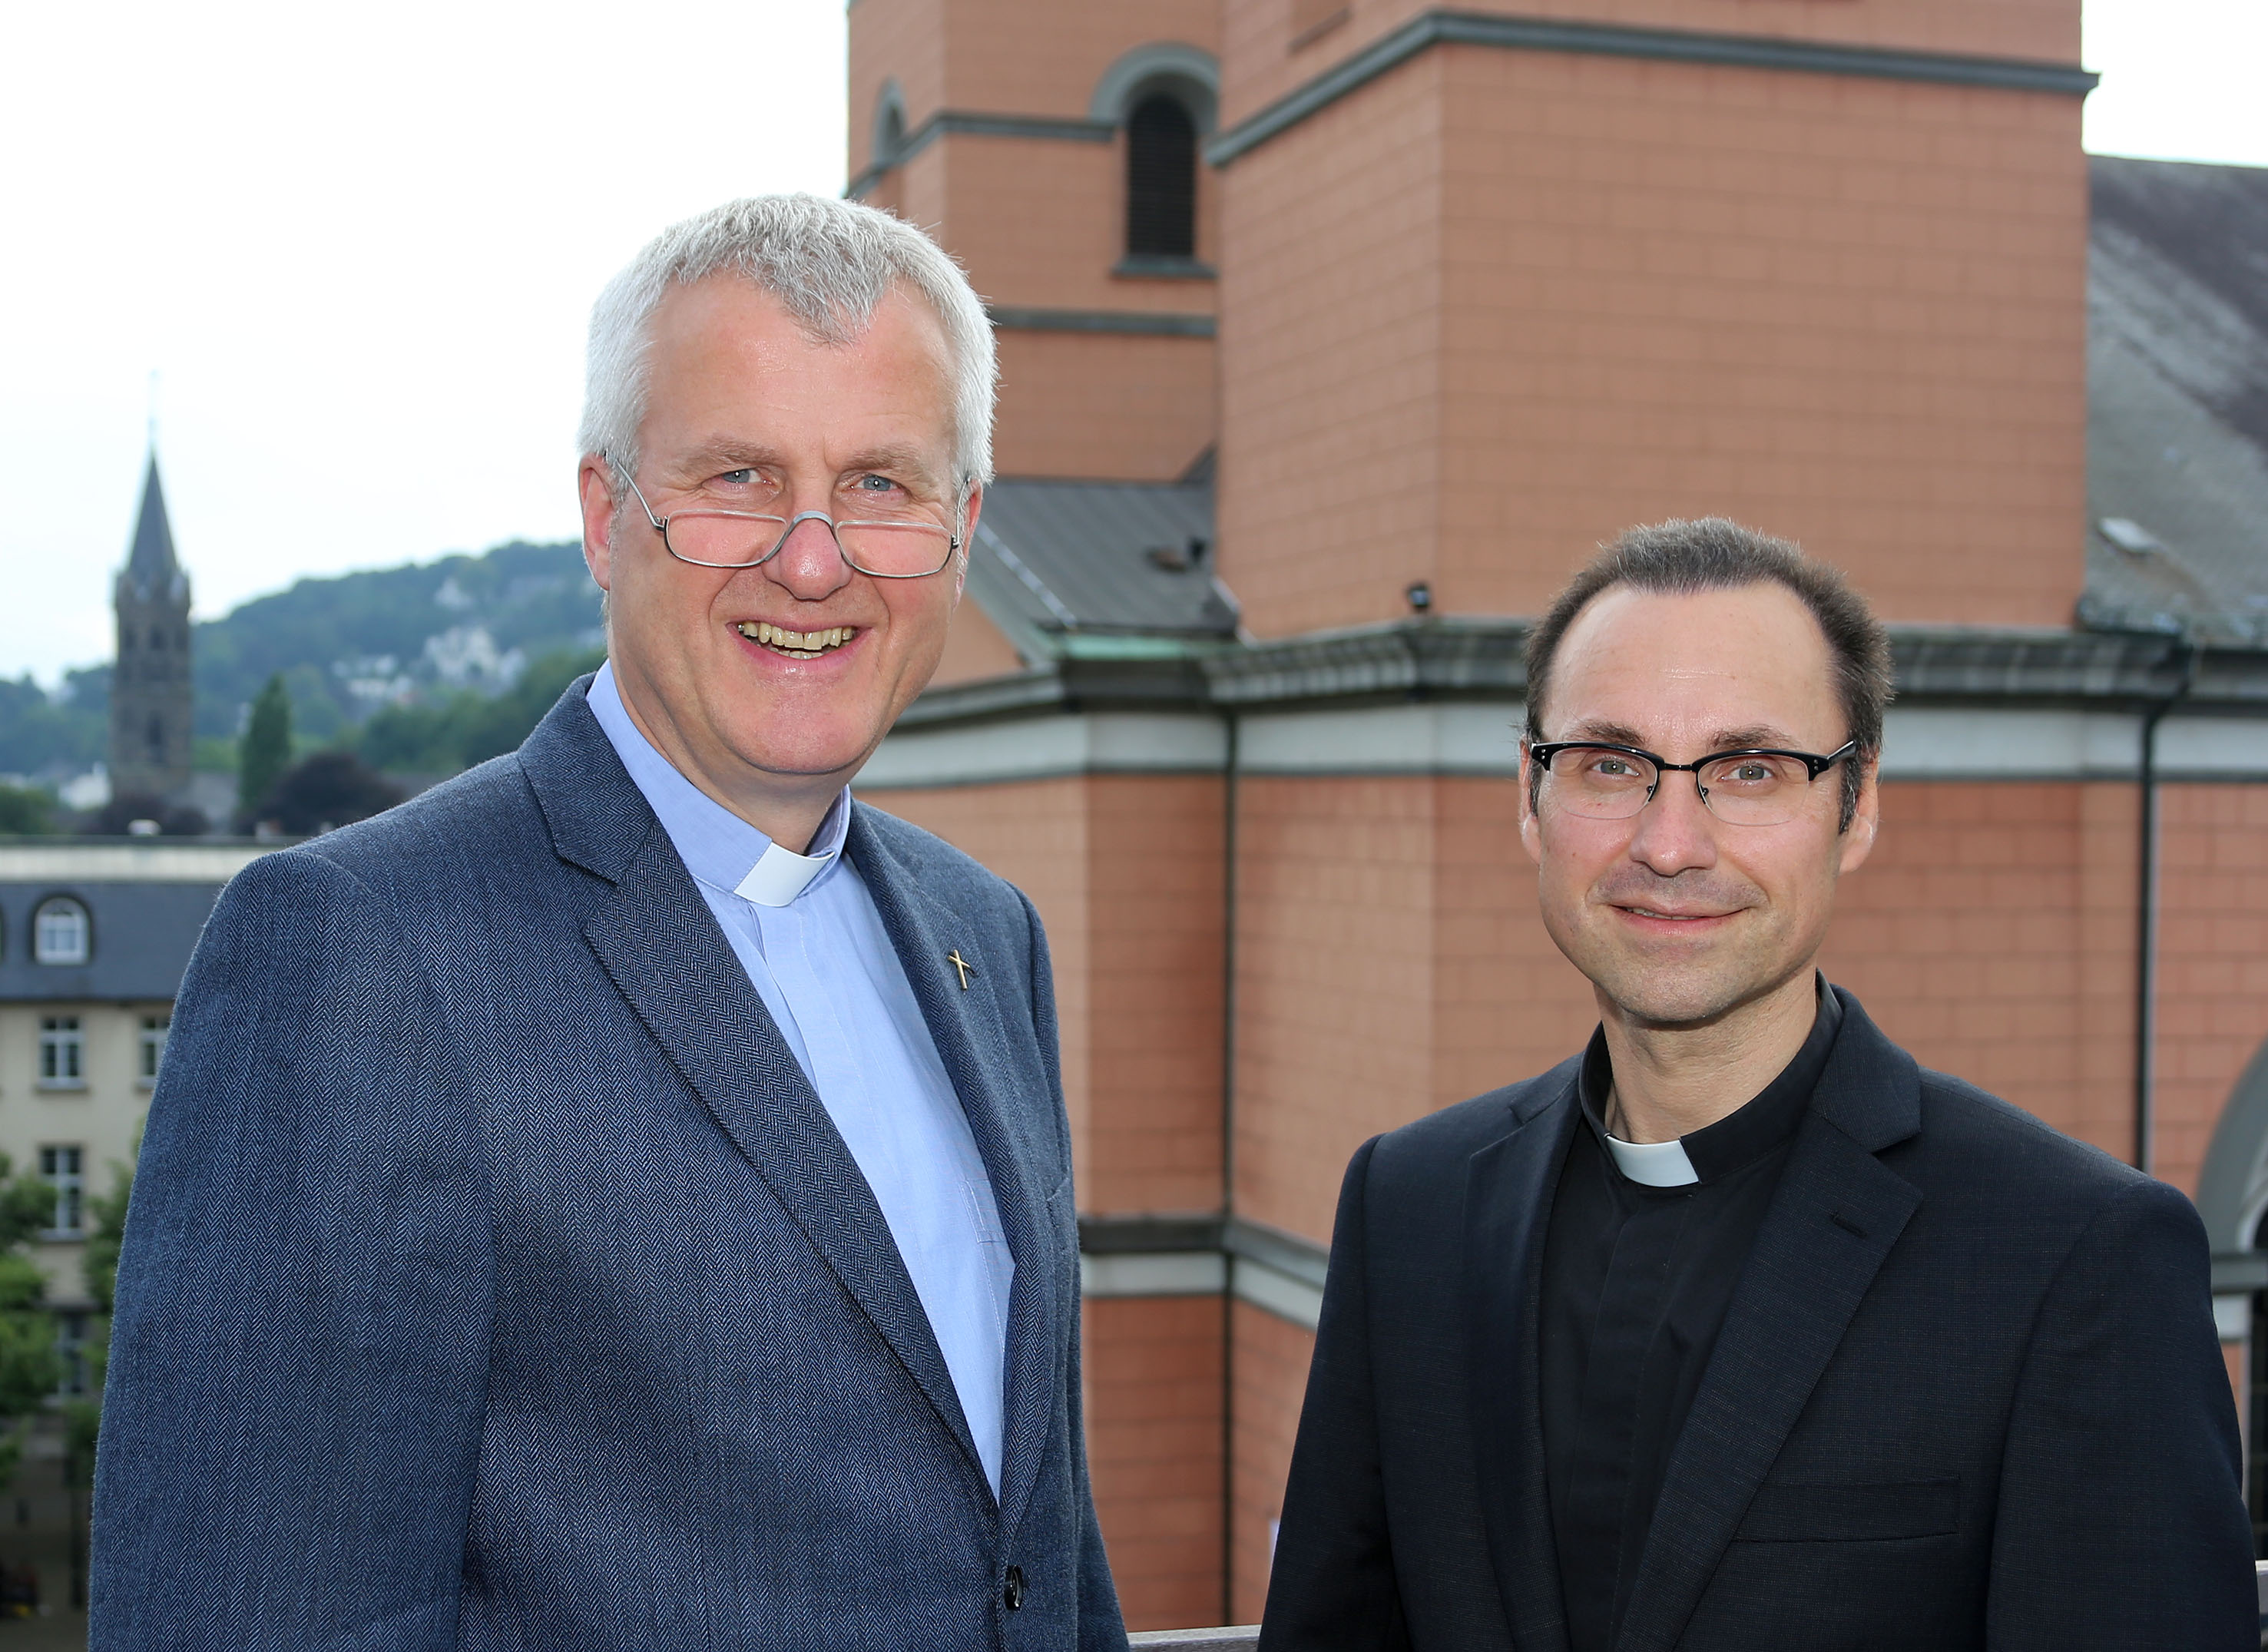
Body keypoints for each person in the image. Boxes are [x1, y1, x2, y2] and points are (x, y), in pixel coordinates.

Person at [92, 195, 1127, 1650]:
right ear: (601, 512)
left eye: (881, 483)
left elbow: (1035, 1547)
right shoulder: (360, 956)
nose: (813, 560)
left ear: (957, 527)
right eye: (738, 479)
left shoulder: (985, 934)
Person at [1260, 519, 2255, 1650]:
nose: (1669, 843)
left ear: (1856, 803)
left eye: (1748, 770)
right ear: (1529, 797)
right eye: (1608, 764)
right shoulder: (1410, 1205)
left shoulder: (2074, 1257)